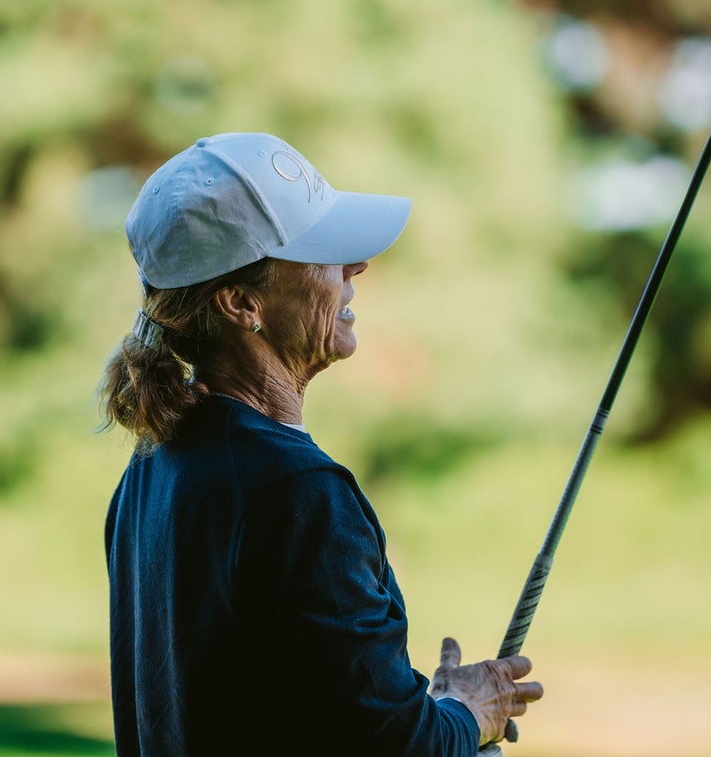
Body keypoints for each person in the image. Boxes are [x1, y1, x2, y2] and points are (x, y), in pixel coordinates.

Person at [97, 132, 543, 756]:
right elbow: (401, 749)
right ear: (240, 303)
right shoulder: (298, 493)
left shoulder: (151, 471)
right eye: (323, 252)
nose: (355, 267)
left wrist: (433, 708)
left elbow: (302, 702)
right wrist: (471, 715)